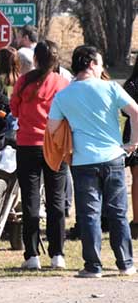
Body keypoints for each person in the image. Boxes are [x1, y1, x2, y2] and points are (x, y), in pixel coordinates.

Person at [48, 46, 137, 278]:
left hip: (82, 160)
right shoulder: (110, 88)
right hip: (113, 157)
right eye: (99, 63)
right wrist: (133, 142)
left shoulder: (63, 95)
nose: (101, 68)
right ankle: (125, 263)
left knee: (89, 214)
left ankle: (93, 266)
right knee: (118, 212)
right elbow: (136, 112)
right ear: (90, 64)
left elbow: (52, 128)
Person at [10, 41, 69, 270]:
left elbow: (14, 109)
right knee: (56, 200)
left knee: (30, 201)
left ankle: (32, 254)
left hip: (27, 144)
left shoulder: (23, 81)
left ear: (35, 59)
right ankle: (57, 254)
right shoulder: (62, 83)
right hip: (54, 145)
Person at [122, 57, 138, 240]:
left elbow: (123, 109)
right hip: (135, 129)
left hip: (134, 129)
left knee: (136, 178)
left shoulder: (132, 84)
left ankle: (136, 221)